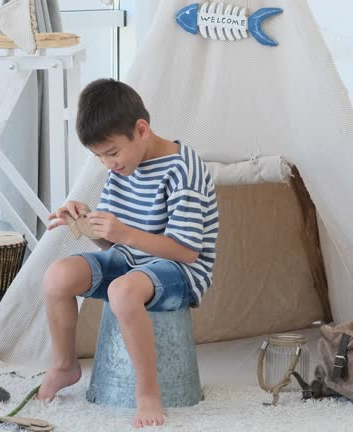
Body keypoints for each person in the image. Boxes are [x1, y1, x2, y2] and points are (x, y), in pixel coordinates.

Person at [36, 78, 218, 428]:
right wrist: (86, 221)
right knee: (57, 275)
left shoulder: (183, 169)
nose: (108, 164)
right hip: (130, 261)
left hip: (179, 271)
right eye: (99, 156)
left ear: (141, 129)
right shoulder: (124, 166)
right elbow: (113, 243)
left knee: (122, 291)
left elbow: (186, 251)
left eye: (112, 152)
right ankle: (64, 365)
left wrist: (123, 233)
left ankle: (148, 390)